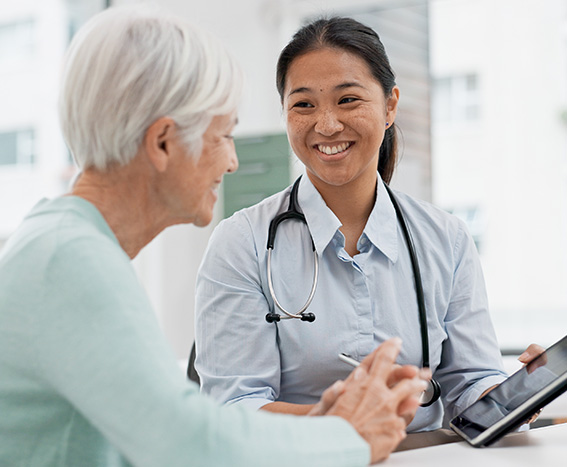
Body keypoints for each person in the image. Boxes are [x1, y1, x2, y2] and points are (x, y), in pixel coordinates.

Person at [0, 7, 430, 467]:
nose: (232, 162)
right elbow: (189, 444)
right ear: (164, 142)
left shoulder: (66, 246)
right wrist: (354, 438)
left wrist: (329, 420)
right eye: (223, 135)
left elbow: (169, 427)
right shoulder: (69, 261)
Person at [194, 16, 541, 431]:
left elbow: (471, 384)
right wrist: (344, 424)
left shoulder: (446, 238)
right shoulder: (241, 244)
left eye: (348, 100)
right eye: (304, 104)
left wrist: (517, 396)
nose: (326, 125)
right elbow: (232, 408)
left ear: (390, 105)